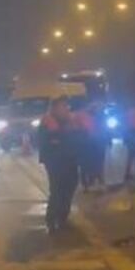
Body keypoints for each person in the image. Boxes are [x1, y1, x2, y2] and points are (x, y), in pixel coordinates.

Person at [37, 96, 82, 234]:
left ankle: (63, 217)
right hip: (55, 162)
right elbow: (45, 142)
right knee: (57, 190)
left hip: (70, 160)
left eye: (66, 106)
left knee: (70, 188)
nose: (66, 108)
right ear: (54, 108)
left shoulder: (69, 121)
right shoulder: (47, 123)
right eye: (63, 106)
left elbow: (77, 137)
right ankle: (51, 221)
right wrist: (58, 139)